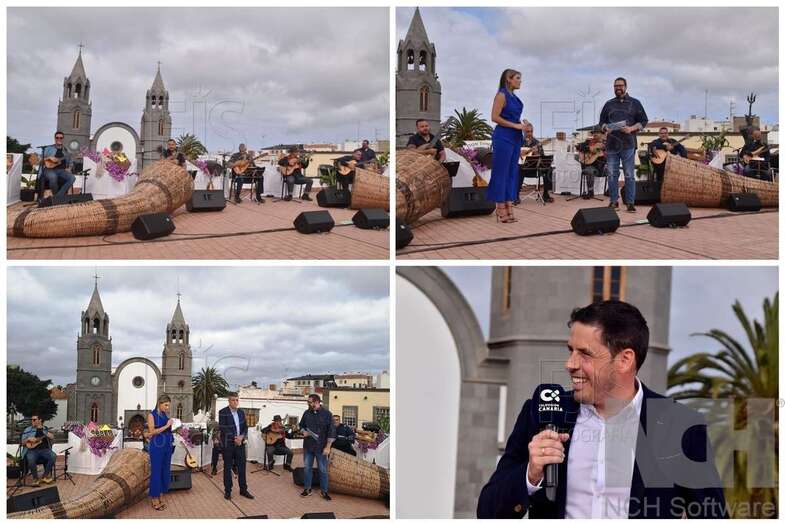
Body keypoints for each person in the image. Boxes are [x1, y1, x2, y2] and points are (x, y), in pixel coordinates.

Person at [476, 300, 727, 518]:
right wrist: (530, 476)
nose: (570, 364)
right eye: (570, 350)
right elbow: (487, 511)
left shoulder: (679, 426)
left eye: (585, 354)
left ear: (624, 360)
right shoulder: (541, 412)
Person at [599, 77, 648, 213]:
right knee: (612, 175)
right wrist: (605, 128)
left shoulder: (635, 103)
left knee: (629, 175)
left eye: (620, 85)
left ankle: (630, 203)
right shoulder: (608, 104)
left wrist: (631, 129)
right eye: (615, 86)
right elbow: (601, 122)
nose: (618, 88)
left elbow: (644, 121)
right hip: (611, 145)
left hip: (628, 144)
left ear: (626, 87)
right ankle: (613, 202)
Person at [488, 69, 529, 223]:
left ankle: (509, 205)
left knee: (512, 173)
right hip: (503, 137)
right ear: (508, 79)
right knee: (501, 173)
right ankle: (500, 208)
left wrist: (523, 124)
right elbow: (494, 117)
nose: (520, 81)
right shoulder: (501, 95)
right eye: (518, 78)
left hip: (515, 137)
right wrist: (515, 125)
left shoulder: (515, 97)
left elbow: (514, 118)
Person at [299, 393, 336, 500]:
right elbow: (301, 426)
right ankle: (307, 489)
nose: (308, 404)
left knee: (323, 470)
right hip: (308, 446)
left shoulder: (327, 414)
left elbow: (332, 431)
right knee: (307, 468)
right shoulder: (306, 413)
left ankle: (324, 491)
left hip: (322, 447)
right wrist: (303, 431)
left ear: (316, 402)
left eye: (309, 402)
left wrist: (328, 447)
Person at [218, 392, 254, 500]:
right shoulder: (222, 412)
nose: (235, 402)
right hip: (228, 444)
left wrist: (242, 437)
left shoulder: (241, 412)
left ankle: (243, 490)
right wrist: (236, 438)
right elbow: (223, 428)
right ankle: (228, 491)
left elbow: (245, 427)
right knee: (228, 468)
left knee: (242, 467)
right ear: (229, 401)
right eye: (233, 400)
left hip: (240, 444)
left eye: (237, 400)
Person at [147, 395, 174, 511]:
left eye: (169, 405)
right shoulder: (151, 415)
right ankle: (154, 498)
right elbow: (152, 432)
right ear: (160, 403)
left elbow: (167, 429)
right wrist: (167, 425)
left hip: (167, 446)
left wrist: (174, 426)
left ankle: (160, 493)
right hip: (157, 446)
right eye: (166, 405)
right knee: (156, 472)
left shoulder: (164, 415)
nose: (168, 407)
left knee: (165, 471)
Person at [516, 123, 553, 204]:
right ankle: (516, 196)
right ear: (523, 132)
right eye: (527, 131)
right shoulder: (518, 142)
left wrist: (536, 153)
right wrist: (518, 153)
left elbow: (542, 157)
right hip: (523, 168)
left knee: (549, 169)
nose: (529, 133)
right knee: (518, 169)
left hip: (535, 168)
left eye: (531, 131)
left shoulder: (537, 143)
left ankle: (546, 195)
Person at [21, 414, 56, 486]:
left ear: (39, 420)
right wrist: (28, 439)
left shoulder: (45, 428)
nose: (32, 421)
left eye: (34, 420)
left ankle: (45, 476)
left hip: (44, 450)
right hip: (31, 450)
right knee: (30, 459)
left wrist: (45, 432)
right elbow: (22, 442)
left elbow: (52, 437)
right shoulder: (28, 430)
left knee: (53, 456)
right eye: (32, 420)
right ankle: (35, 479)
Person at [39, 131, 76, 198]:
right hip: (49, 169)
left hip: (62, 170)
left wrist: (69, 168)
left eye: (61, 138)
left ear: (63, 139)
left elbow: (71, 162)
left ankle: (57, 197)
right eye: (57, 137)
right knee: (53, 177)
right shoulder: (48, 148)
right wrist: (49, 157)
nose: (59, 139)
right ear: (55, 138)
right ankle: (57, 197)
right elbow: (40, 160)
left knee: (72, 178)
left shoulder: (66, 150)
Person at [576, 128, 608, 198]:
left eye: (597, 132)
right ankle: (590, 192)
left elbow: (596, 149)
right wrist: (584, 147)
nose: (595, 134)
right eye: (594, 133)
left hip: (601, 166)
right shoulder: (588, 141)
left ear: (602, 134)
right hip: (590, 165)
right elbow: (578, 147)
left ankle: (609, 190)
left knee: (615, 171)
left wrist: (588, 149)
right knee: (589, 171)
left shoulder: (604, 142)